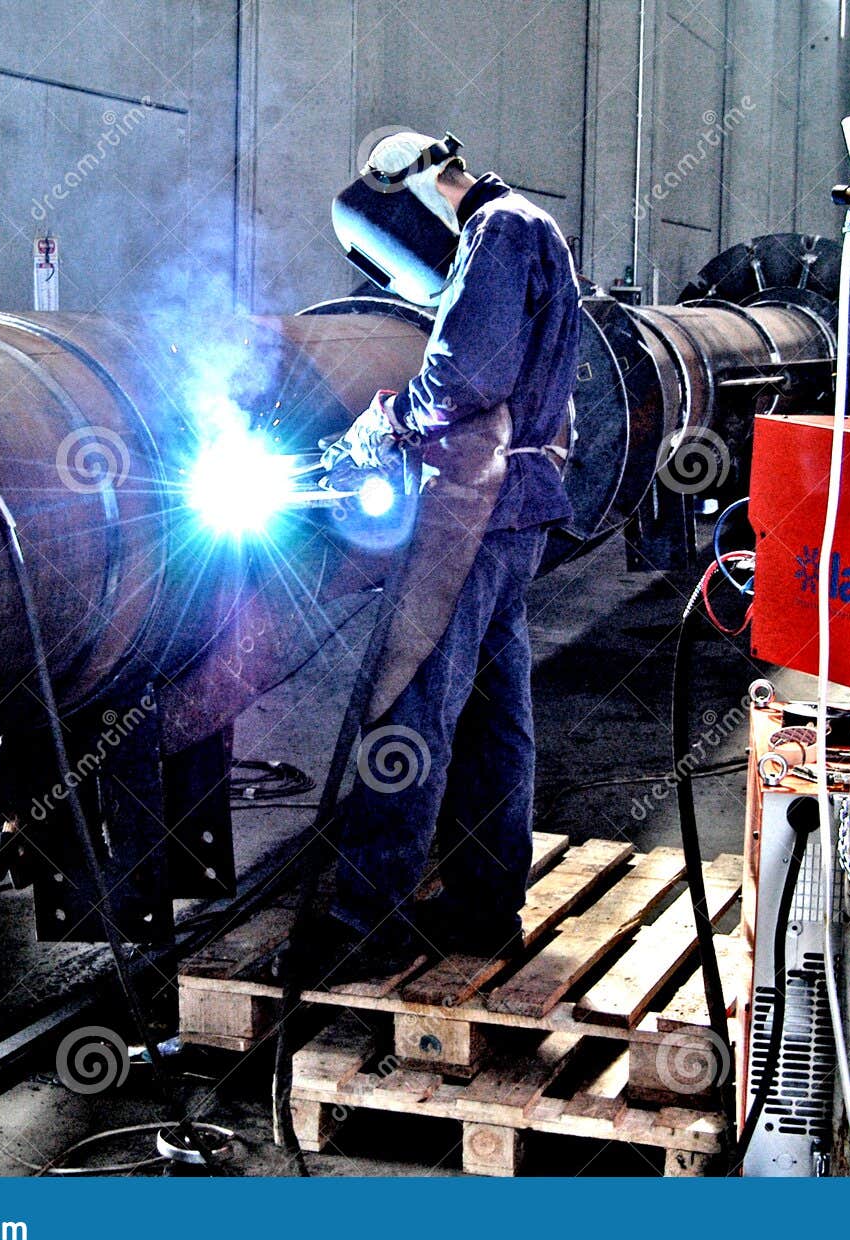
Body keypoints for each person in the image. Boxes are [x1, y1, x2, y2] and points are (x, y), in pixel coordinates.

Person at [313, 131, 582, 982]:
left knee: (413, 702)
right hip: (519, 509)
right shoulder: (534, 224)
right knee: (498, 714)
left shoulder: (498, 233)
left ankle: (362, 915)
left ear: (418, 192)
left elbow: (467, 378)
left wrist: (382, 423)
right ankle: (483, 903)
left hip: (474, 507)